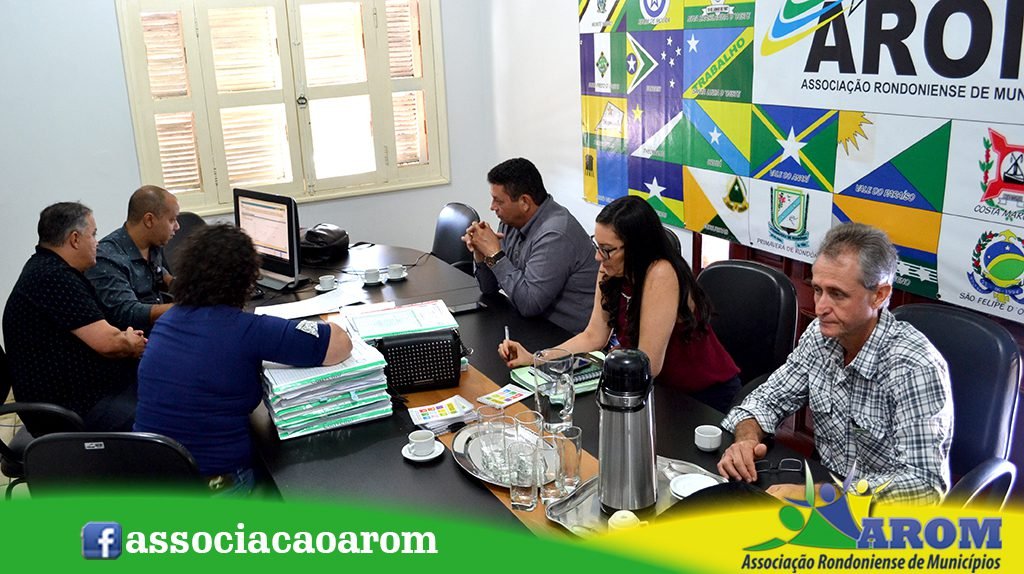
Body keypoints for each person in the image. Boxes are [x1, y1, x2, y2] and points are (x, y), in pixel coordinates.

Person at [718, 223, 954, 505]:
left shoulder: (915, 366)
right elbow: (767, 400)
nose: (820, 308)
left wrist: (821, 495)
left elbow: (923, 487)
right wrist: (746, 439)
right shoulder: (820, 336)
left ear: (879, 295)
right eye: (818, 290)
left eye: (837, 294)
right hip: (827, 484)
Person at [133, 224, 353, 496]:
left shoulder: (168, 321)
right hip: (214, 487)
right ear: (247, 280)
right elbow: (339, 344)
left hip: (152, 481)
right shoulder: (245, 329)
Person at [499, 196, 741, 412]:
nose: (598, 257)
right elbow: (593, 336)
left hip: (701, 398)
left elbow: (648, 363)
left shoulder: (661, 273)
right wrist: (538, 358)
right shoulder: (610, 269)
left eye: (607, 250)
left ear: (637, 247)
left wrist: (610, 362)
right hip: (654, 391)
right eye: (598, 246)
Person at [3, 202, 147, 432]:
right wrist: (129, 342)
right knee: (162, 418)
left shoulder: (49, 268)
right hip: (72, 409)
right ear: (75, 239)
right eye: (93, 234)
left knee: (160, 390)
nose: (97, 242)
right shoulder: (52, 277)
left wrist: (126, 338)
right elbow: (110, 343)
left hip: (85, 395)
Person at [463, 158, 599, 333]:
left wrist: (495, 255)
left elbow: (529, 304)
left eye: (499, 201)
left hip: (564, 336)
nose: (492, 207)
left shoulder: (555, 234)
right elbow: (489, 289)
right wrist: (482, 253)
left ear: (525, 202)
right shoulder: (510, 222)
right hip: (531, 324)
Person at [86, 185, 180, 332]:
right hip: (136, 337)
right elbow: (127, 312)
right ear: (149, 220)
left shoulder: (153, 244)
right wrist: (183, 308)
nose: (177, 227)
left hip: (161, 327)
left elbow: (159, 274)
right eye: (172, 220)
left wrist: (189, 288)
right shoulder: (107, 258)